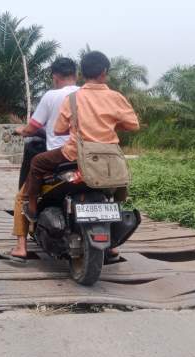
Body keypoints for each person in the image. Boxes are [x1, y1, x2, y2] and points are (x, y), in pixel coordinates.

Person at [23, 50, 140, 232]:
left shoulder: (73, 98)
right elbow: (133, 125)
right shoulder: (116, 97)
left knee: (37, 162)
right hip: (108, 156)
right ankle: (114, 227)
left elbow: (58, 129)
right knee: (120, 180)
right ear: (104, 73)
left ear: (82, 74)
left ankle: (31, 207)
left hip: (74, 154)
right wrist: (112, 125)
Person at [0, 57, 79, 262]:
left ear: (55, 77)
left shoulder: (52, 96)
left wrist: (22, 130)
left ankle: (20, 247)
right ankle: (113, 248)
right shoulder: (86, 95)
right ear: (76, 75)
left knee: (22, 197)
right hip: (88, 157)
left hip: (60, 157)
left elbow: (33, 127)